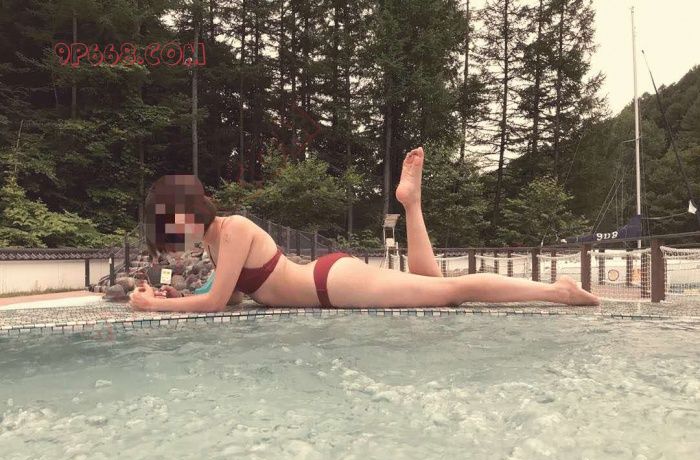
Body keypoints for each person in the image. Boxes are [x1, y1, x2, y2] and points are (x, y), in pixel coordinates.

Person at [130, 147, 600, 312]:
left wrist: (153, 306)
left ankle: (556, 291)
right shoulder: (217, 245)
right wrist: (173, 297)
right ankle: (411, 203)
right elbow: (230, 298)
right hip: (328, 284)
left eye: (167, 234)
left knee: (451, 292)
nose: (172, 246)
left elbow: (213, 303)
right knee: (435, 285)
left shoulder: (232, 229)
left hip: (332, 283)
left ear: (182, 217)